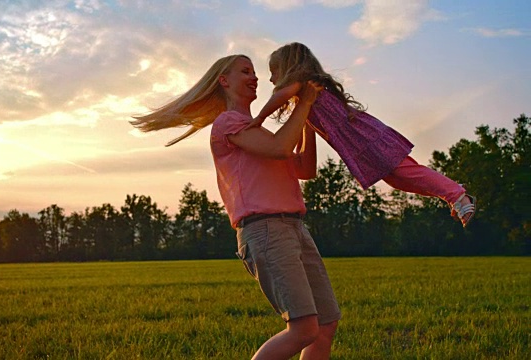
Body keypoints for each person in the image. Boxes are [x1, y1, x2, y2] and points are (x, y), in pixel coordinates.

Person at [131, 54, 341, 359]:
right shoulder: (229, 123)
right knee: (305, 329)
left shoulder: (259, 131)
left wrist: (306, 117)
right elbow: (281, 148)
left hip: (294, 227)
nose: (254, 77)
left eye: (255, 72)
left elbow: (306, 169)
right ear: (224, 81)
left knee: (325, 326)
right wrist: (305, 103)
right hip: (267, 229)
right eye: (245, 71)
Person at [249, 42, 477, 227]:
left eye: (274, 72)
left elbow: (279, 95)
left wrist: (258, 119)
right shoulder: (305, 98)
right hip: (360, 143)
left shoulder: (302, 83)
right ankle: (450, 192)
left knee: (405, 171)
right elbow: (296, 133)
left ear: (290, 68)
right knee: (396, 179)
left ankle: (456, 194)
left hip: (365, 137)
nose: (271, 80)